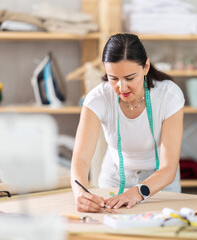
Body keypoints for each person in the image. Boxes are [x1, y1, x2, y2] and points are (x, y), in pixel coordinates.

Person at [71, 33, 185, 213]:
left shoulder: (168, 96)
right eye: (113, 78)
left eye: (130, 78)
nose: (122, 88)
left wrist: (135, 193)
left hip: (159, 181)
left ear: (146, 67)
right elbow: (81, 158)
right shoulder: (97, 99)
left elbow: (168, 168)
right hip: (114, 177)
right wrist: (80, 194)